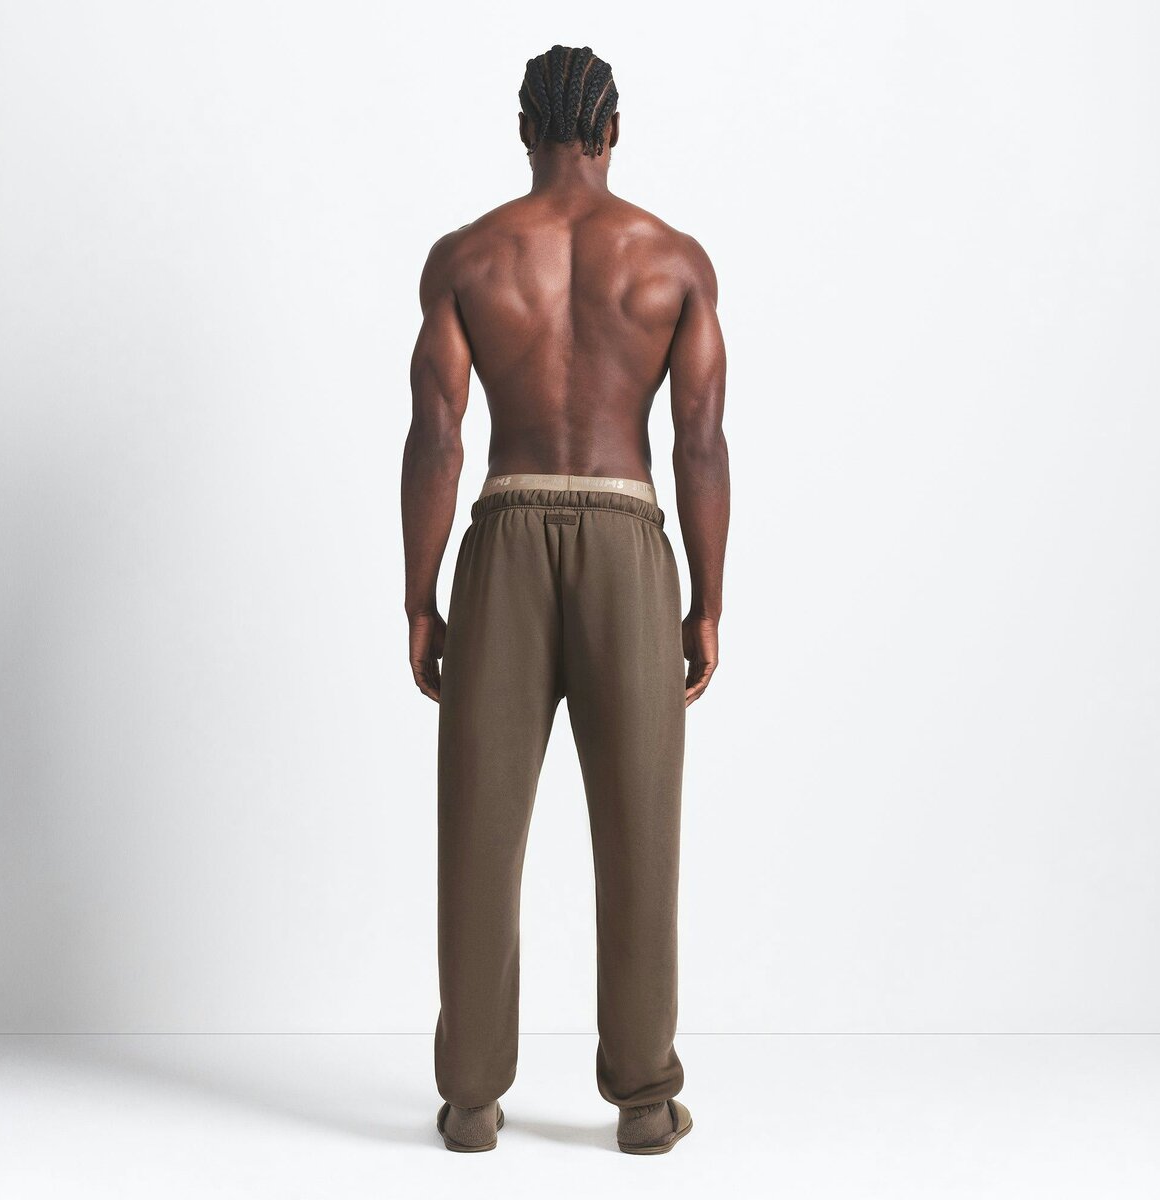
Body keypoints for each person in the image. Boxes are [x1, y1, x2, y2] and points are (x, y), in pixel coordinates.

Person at [402, 44, 729, 1156]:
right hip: (629, 538)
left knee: (478, 827)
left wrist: (420, 597)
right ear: (612, 130)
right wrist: (707, 603)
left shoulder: (468, 257)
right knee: (640, 827)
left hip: (503, 531)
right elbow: (699, 443)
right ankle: (644, 1099)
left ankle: (470, 1099)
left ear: (523, 130)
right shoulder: (674, 261)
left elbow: (438, 437)